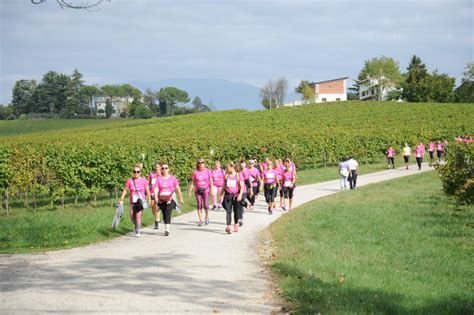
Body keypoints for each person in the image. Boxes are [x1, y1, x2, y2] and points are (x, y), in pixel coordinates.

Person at [118, 164, 151, 237]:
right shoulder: (130, 181)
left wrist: (149, 199)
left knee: (138, 215)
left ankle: (137, 230)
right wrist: (121, 199)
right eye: (134, 171)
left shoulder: (143, 180)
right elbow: (125, 190)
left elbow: (147, 190)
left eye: (138, 172)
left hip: (140, 202)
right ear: (133, 172)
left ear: (140, 172)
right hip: (132, 202)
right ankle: (136, 225)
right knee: (132, 216)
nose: (136, 173)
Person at [153, 163, 184, 236]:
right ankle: (166, 225)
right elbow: (156, 188)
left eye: (166, 168)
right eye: (163, 168)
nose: (164, 169)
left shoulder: (173, 178)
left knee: (167, 211)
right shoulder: (159, 179)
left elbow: (177, 188)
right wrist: (156, 197)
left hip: (171, 198)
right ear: (161, 170)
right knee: (164, 213)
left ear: (168, 169)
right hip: (161, 198)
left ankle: (167, 229)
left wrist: (181, 198)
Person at [220, 162, 244, 234]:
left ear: (232, 167)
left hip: (236, 196)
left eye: (228, 167)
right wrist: (220, 195)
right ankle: (228, 226)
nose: (227, 169)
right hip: (228, 195)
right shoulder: (226, 176)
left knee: (236, 211)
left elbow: (242, 187)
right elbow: (224, 187)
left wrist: (240, 195)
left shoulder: (238, 175)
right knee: (228, 211)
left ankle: (236, 224)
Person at [189, 159, 214, 226]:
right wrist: (190, 191)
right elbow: (193, 182)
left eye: (202, 162)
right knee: (199, 205)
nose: (201, 164)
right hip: (198, 190)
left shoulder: (208, 171)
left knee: (205, 204)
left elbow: (211, 181)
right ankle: (200, 220)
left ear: (204, 164)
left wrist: (212, 190)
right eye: (199, 163)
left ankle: (206, 217)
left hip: (206, 189)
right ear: (198, 164)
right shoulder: (195, 172)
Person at [148, 162, 162, 229]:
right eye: (156, 167)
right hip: (152, 193)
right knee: (152, 206)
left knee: (157, 207)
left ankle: (156, 221)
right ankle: (157, 218)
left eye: (158, 167)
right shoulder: (151, 174)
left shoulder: (162, 174)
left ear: (160, 167)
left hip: (159, 193)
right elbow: (149, 183)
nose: (156, 168)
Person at [235, 162, 249, 227]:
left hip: (243, 191)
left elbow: (247, 181)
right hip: (236, 192)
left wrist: (250, 189)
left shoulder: (242, 173)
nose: (236, 168)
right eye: (235, 167)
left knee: (240, 204)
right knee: (238, 205)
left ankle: (240, 219)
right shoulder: (233, 174)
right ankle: (238, 218)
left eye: (237, 167)